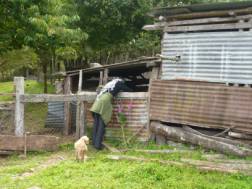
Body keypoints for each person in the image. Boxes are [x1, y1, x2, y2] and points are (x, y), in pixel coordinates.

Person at [90, 78, 132, 150]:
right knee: (102, 123)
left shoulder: (109, 85)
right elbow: (128, 90)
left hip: (98, 101)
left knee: (96, 124)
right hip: (105, 101)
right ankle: (97, 146)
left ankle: (94, 143)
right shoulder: (119, 83)